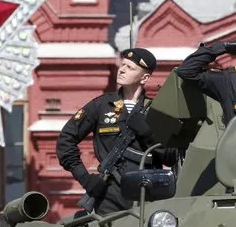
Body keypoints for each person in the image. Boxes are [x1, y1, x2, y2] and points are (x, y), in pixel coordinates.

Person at [56, 47, 177, 216]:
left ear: (144, 78)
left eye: (130, 68)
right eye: (123, 65)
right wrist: (85, 178)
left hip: (147, 195)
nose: (122, 69)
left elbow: (172, 157)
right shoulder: (101, 106)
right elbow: (65, 140)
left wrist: (147, 133)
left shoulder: (156, 111)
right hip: (109, 197)